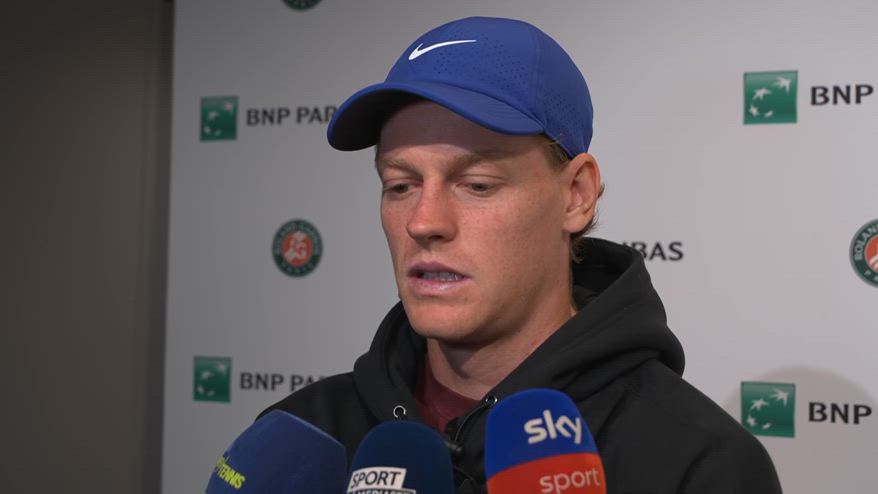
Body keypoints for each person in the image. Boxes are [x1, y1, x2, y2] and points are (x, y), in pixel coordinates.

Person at [262, 17, 782, 493]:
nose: (423, 221)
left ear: (576, 195)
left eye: (477, 184)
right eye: (400, 185)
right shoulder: (302, 442)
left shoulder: (698, 465)